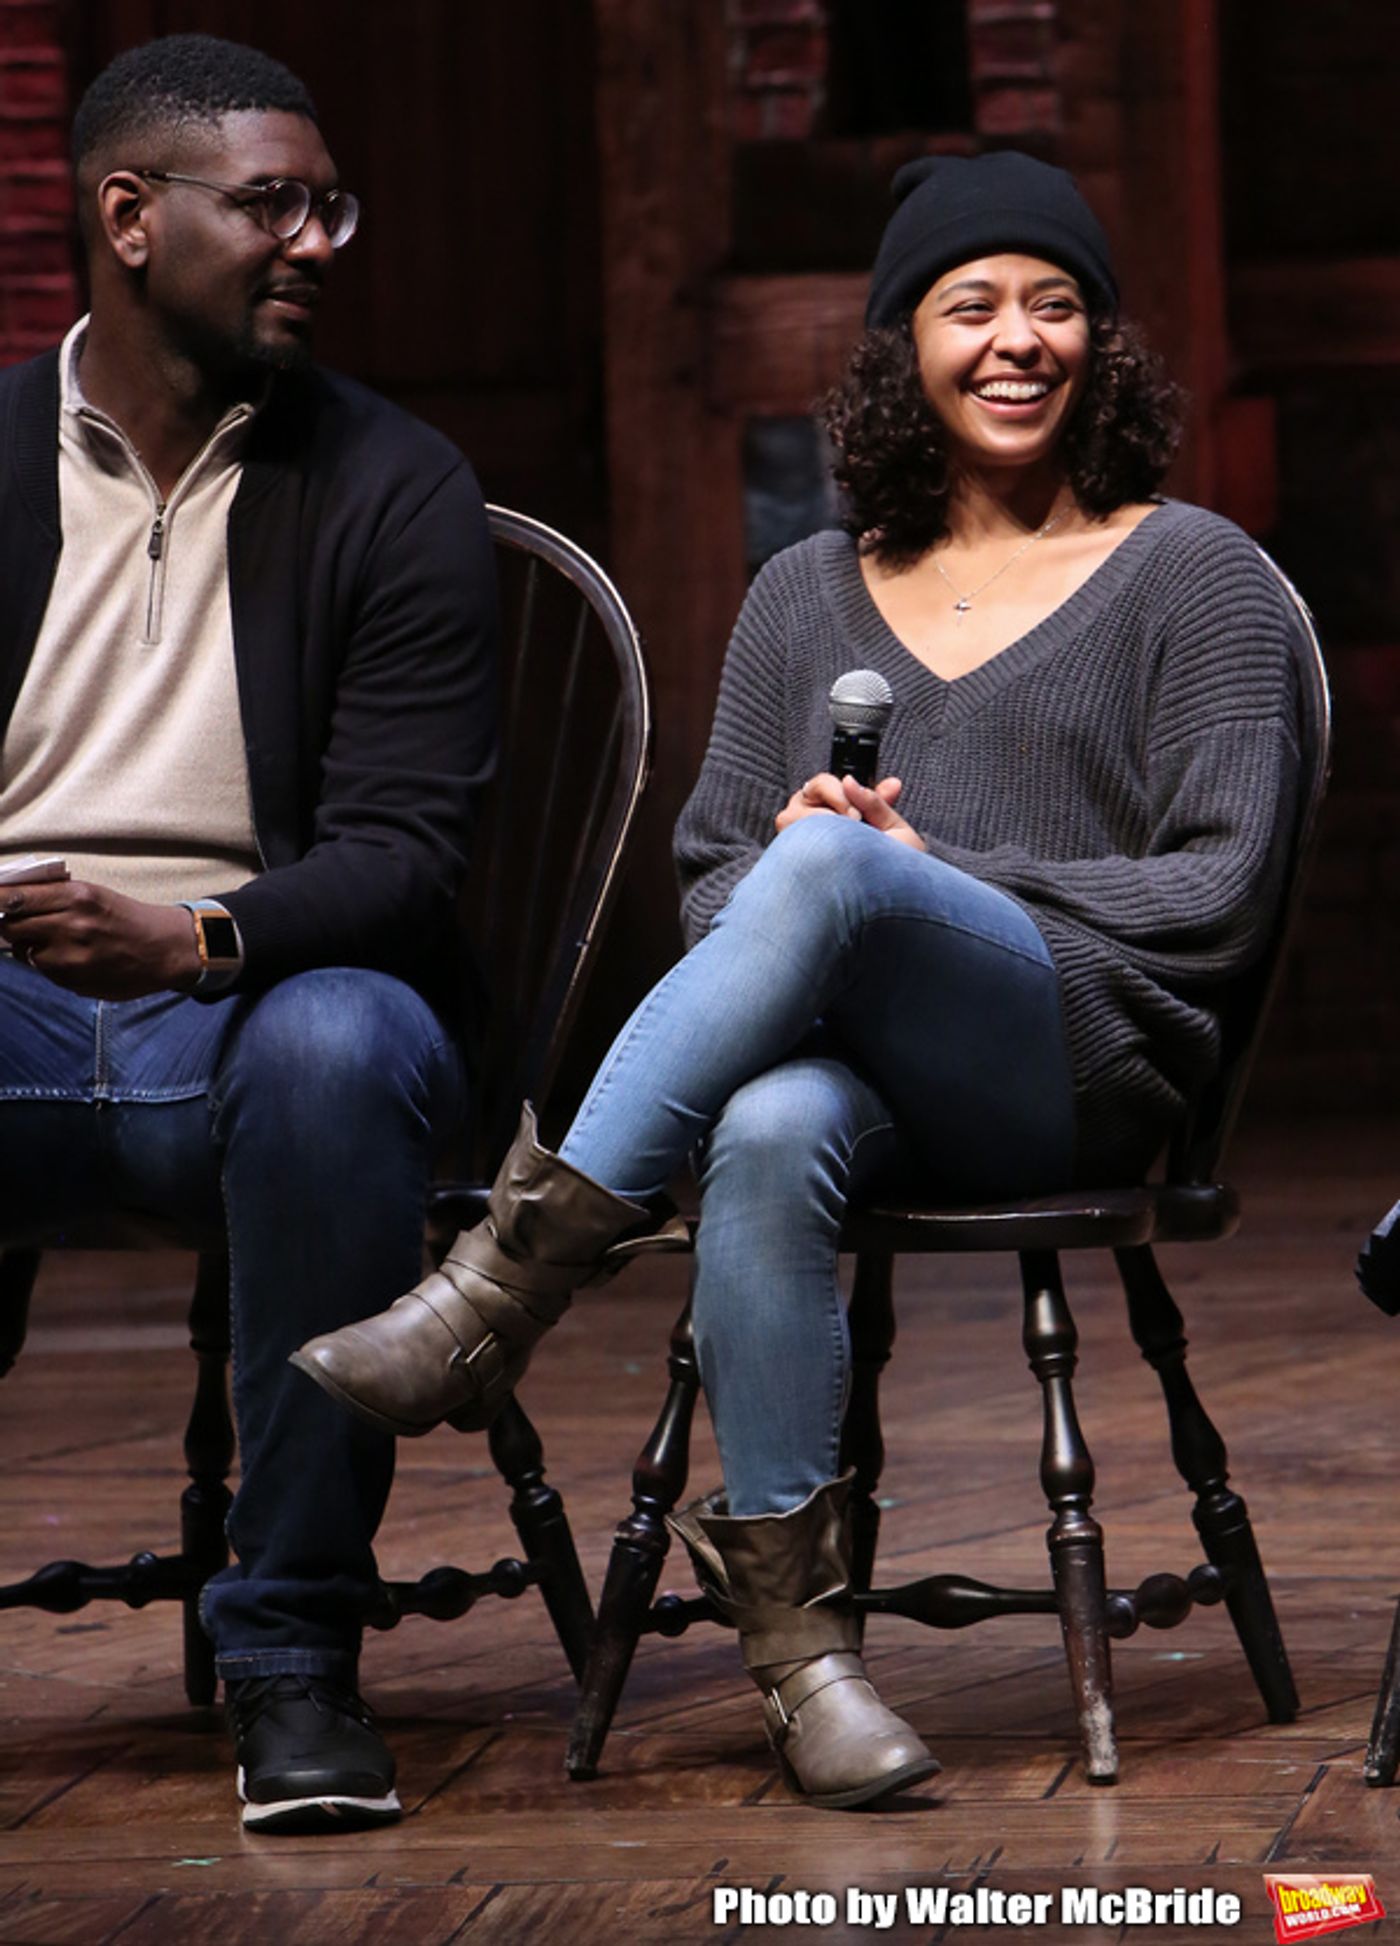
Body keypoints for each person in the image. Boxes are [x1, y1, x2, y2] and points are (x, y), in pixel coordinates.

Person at [297, 151, 1305, 1809]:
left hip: (1088, 1053)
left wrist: (909, 878)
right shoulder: (801, 593)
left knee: (836, 861)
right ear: (901, 342)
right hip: (869, 1076)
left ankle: (497, 1293)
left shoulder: (1191, 572)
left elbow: (1220, 890)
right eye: (970, 305)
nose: (1018, 338)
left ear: (1104, 347)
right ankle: (806, 1665)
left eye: (1057, 306)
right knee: (764, 1115)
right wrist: (819, 885)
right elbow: (712, 892)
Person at [0, 36, 496, 1830]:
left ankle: (292, 1659)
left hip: (266, 983)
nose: (315, 242)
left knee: (341, 1044)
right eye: (271, 203)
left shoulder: (393, 483)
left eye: (327, 204)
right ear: (131, 218)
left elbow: (406, 854)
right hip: (13, 991)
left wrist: (196, 938)